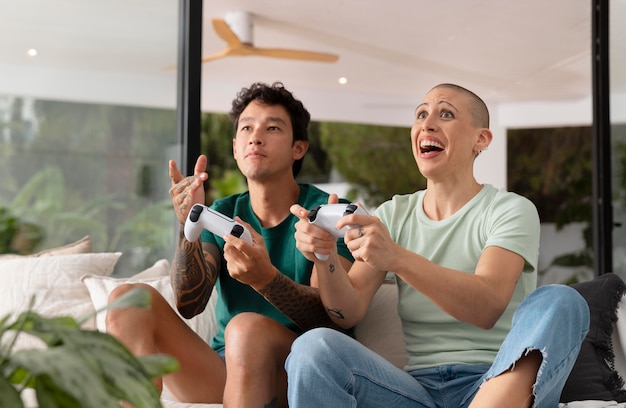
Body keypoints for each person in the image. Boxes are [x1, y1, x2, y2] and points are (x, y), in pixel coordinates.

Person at [286, 83, 590, 408]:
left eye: (446, 113)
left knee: (562, 301)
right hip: (417, 393)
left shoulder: (510, 209)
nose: (427, 124)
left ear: (481, 139)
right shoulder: (394, 215)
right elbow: (348, 312)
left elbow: (486, 307)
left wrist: (398, 258)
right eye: (420, 114)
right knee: (313, 347)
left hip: (497, 383)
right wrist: (325, 256)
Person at [106, 81, 354, 408]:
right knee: (128, 299)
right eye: (247, 128)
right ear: (236, 147)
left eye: (273, 127)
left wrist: (265, 279)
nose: (256, 136)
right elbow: (188, 304)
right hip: (223, 369)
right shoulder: (222, 213)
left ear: (299, 148)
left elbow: (331, 319)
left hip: (296, 369)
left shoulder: (327, 211)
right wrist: (188, 226)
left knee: (246, 328)